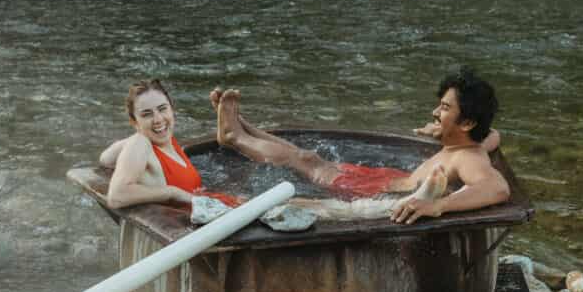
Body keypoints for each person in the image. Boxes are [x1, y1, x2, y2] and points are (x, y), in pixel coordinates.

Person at [213, 67, 510, 225]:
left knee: (306, 161)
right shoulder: (472, 144)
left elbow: (497, 188)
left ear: (468, 122)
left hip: (376, 193)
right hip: (382, 179)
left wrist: (438, 205)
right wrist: (443, 128)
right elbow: (492, 134)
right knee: (309, 157)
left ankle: (236, 136)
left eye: (444, 108)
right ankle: (242, 127)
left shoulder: (470, 159)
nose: (435, 112)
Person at [102, 79, 237, 210]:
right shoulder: (141, 143)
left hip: (216, 206)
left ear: (172, 109)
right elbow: (117, 197)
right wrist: (172, 192)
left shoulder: (168, 141)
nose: (158, 119)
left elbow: (105, 158)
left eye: (162, 109)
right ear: (134, 122)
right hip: (206, 223)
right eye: (146, 114)